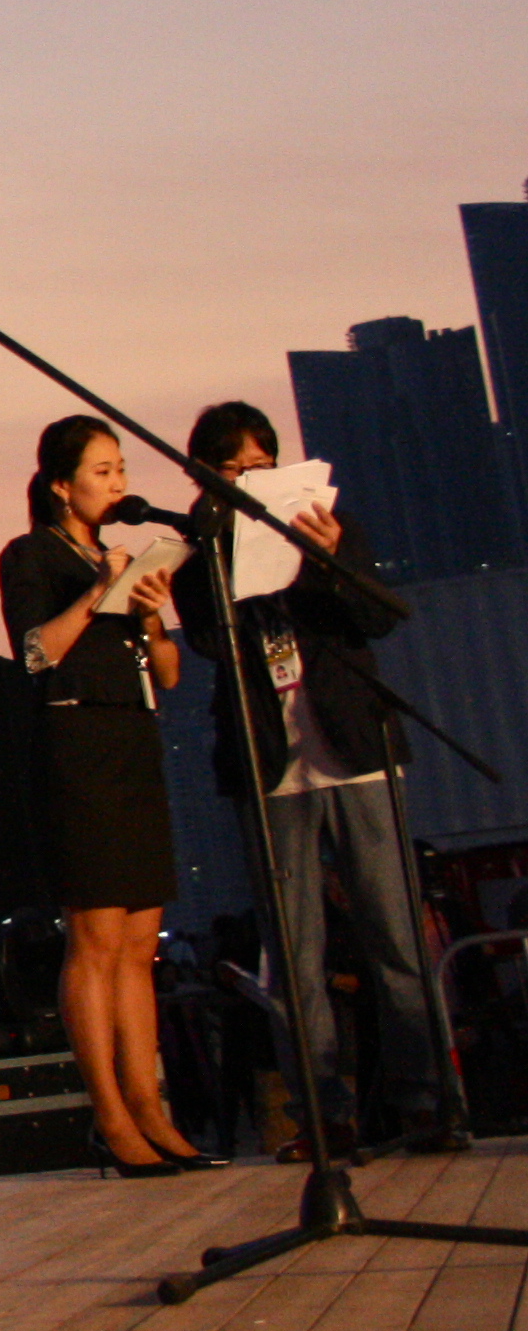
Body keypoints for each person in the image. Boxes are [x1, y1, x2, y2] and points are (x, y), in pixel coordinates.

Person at [182, 399, 468, 1157]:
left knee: (395, 935)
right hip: (270, 764)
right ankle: (322, 1113)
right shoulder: (201, 543)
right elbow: (208, 636)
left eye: (260, 465)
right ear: (208, 475)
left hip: (354, 750)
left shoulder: (326, 524)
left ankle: (428, 1102)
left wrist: (330, 556)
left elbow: (376, 619)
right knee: (294, 955)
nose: (251, 478)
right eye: (233, 469)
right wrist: (218, 539)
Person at [0, 416, 208, 1176]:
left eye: (121, 470)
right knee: (93, 939)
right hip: (75, 742)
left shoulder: (122, 553)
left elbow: (171, 670)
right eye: (102, 472)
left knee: (138, 946)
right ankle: (111, 1115)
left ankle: (152, 1106)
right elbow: (34, 653)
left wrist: (149, 605)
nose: (117, 484)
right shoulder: (29, 556)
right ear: (62, 484)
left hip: (134, 737)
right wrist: (99, 590)